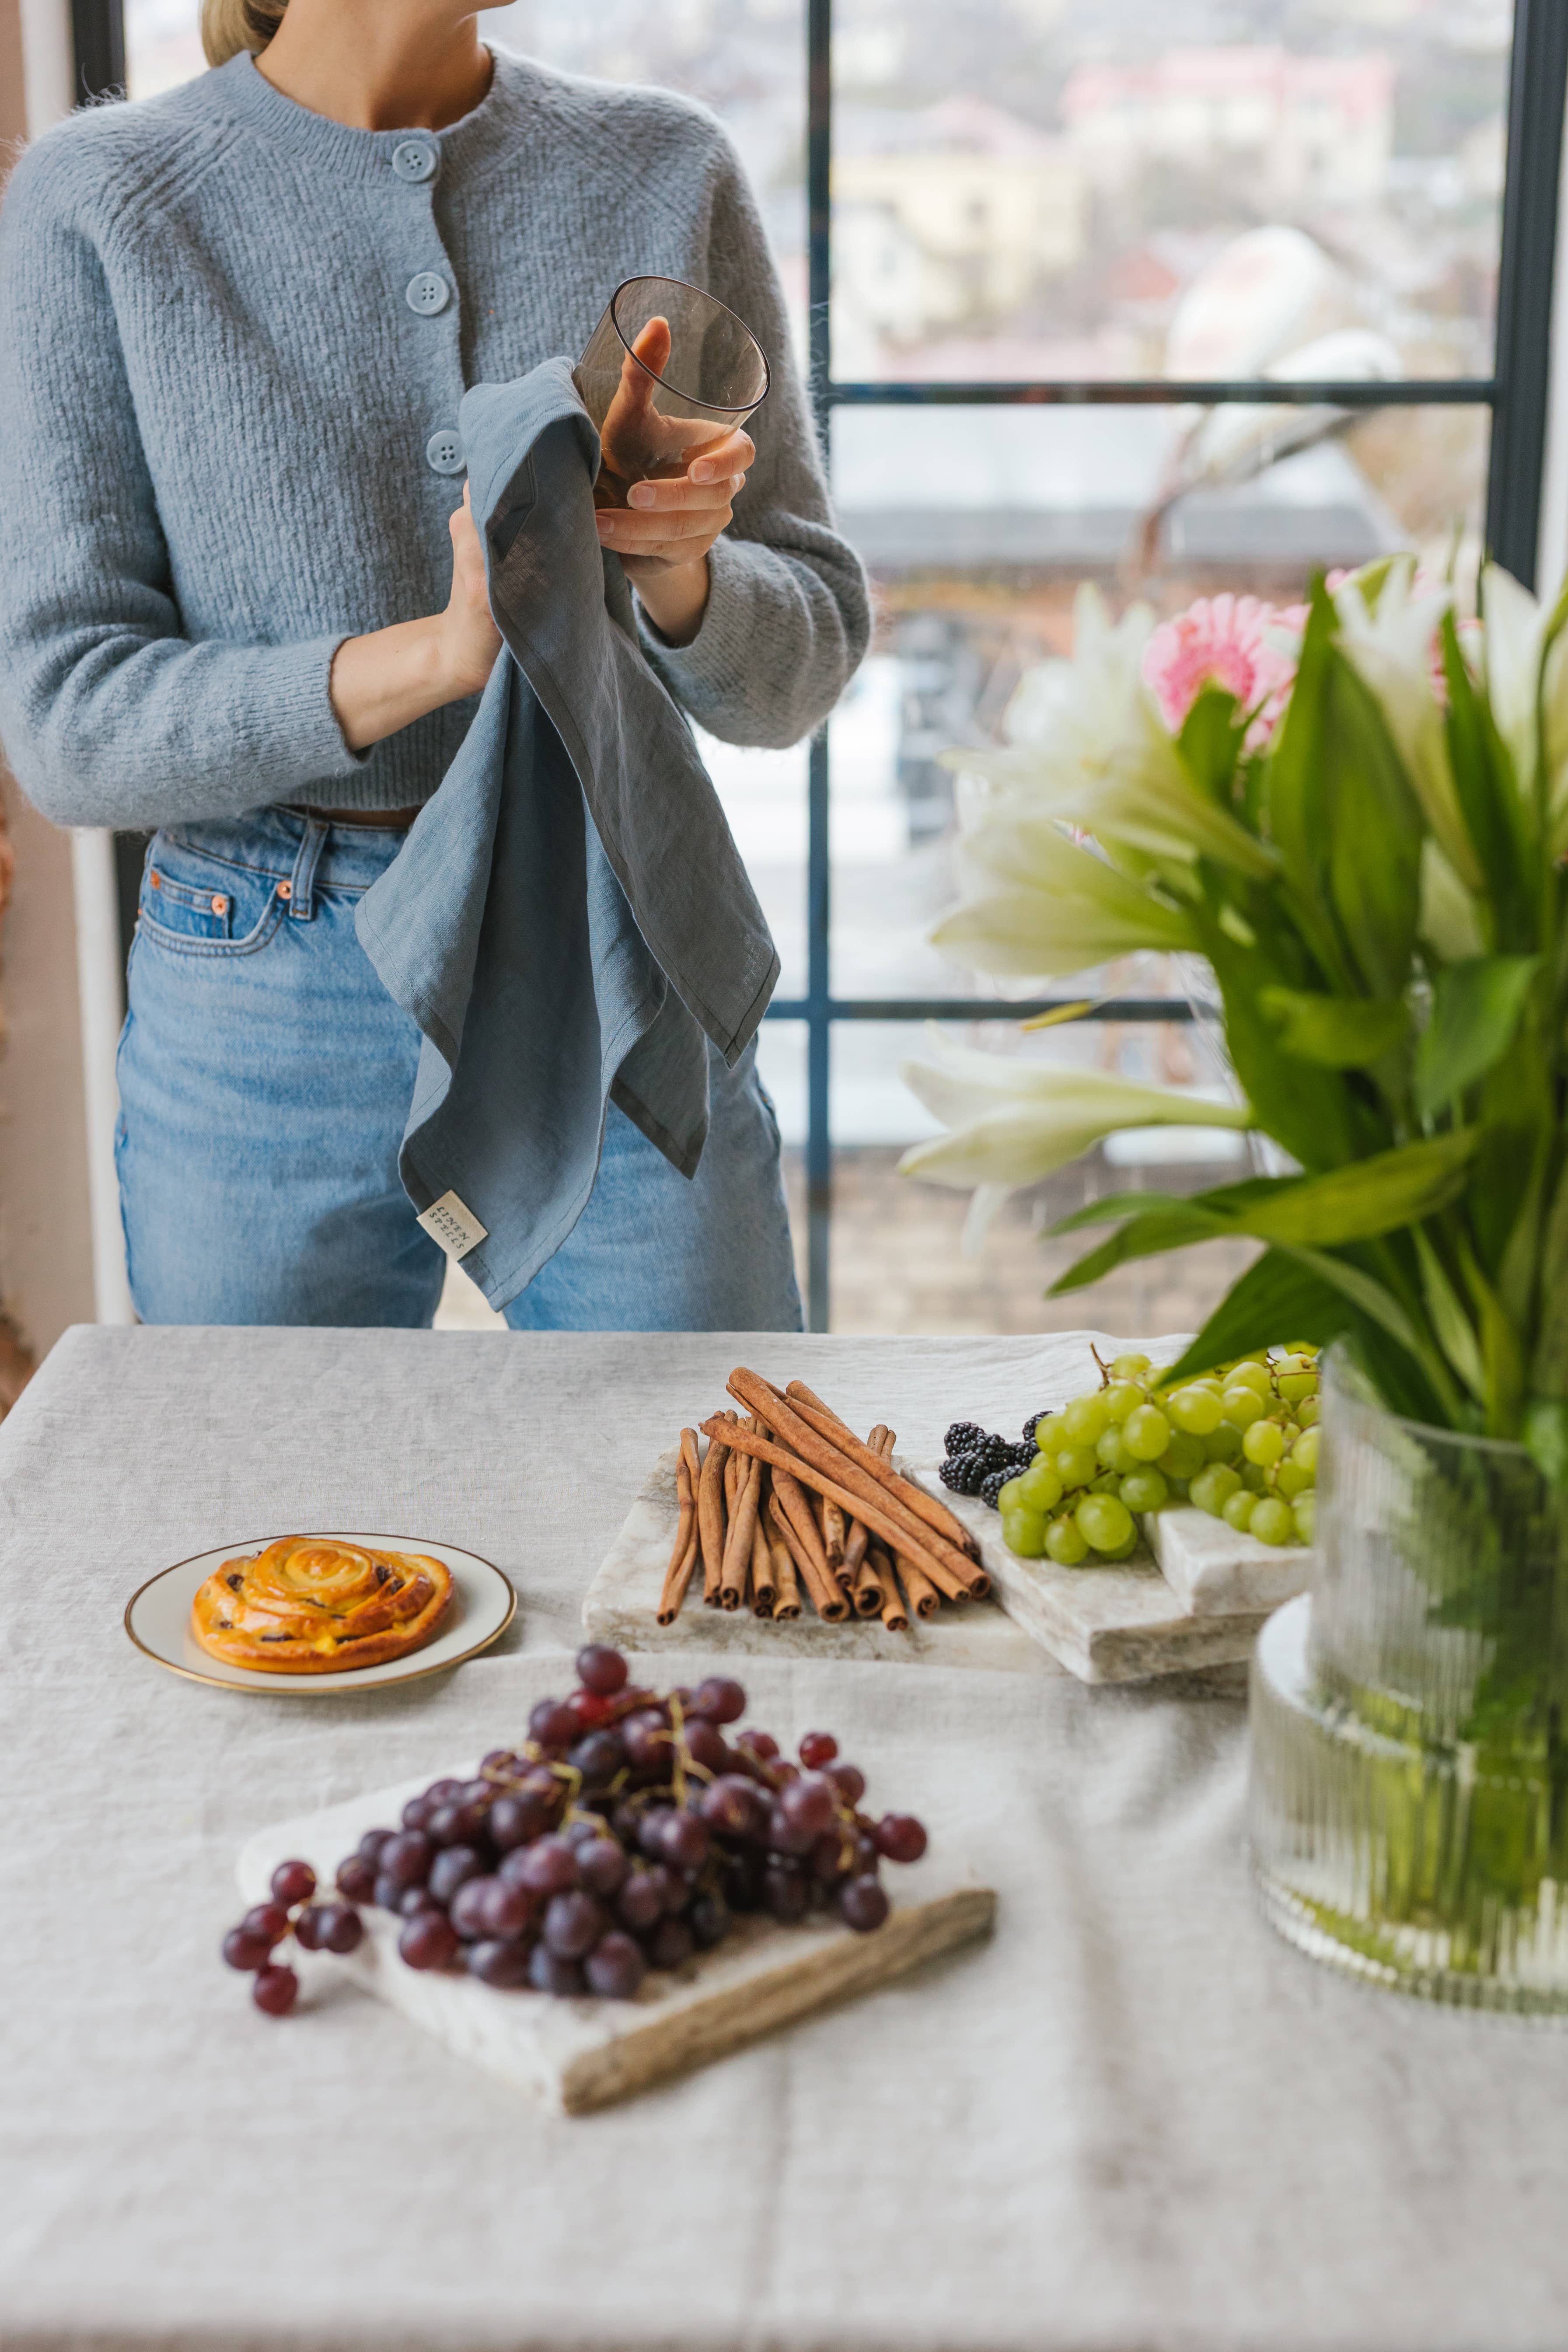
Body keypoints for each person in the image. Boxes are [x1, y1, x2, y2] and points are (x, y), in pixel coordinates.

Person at [0, 0, 868, 1329]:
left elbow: (801, 658)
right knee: (278, 1519)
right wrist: (428, 657)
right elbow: (69, 720)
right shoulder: (101, 199)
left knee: (714, 1489)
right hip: (262, 964)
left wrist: (672, 570)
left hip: (605, 930)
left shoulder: (664, 165)